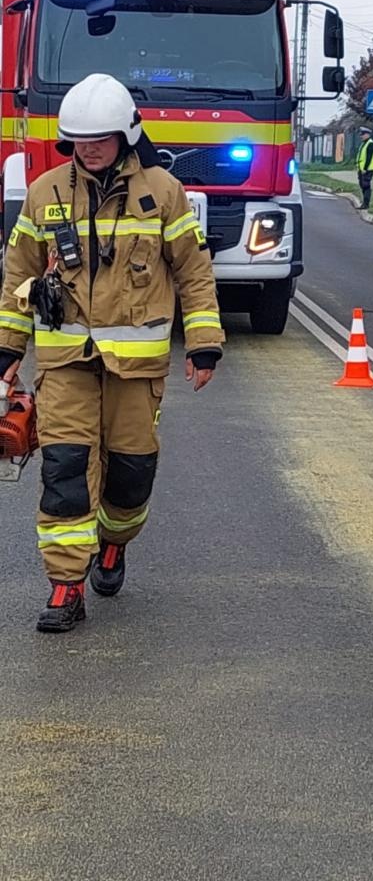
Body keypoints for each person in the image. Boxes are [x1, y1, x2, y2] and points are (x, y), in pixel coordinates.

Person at [0, 74, 224, 633]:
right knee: (65, 470)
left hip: (136, 369)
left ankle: (114, 543)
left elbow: (194, 272)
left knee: (130, 475)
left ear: (125, 135)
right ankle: (65, 587)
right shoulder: (45, 192)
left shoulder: (163, 192)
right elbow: (17, 274)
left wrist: (204, 344)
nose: (89, 148)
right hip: (65, 363)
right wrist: (8, 348)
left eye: (100, 138)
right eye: (79, 139)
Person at [356, 126, 373, 210]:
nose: (361, 136)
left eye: (362, 134)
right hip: (362, 169)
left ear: (367, 135)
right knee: (362, 185)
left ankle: (366, 204)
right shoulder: (364, 143)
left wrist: (365, 168)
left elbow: (369, 157)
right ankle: (364, 203)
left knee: (366, 186)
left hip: (367, 169)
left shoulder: (370, 144)